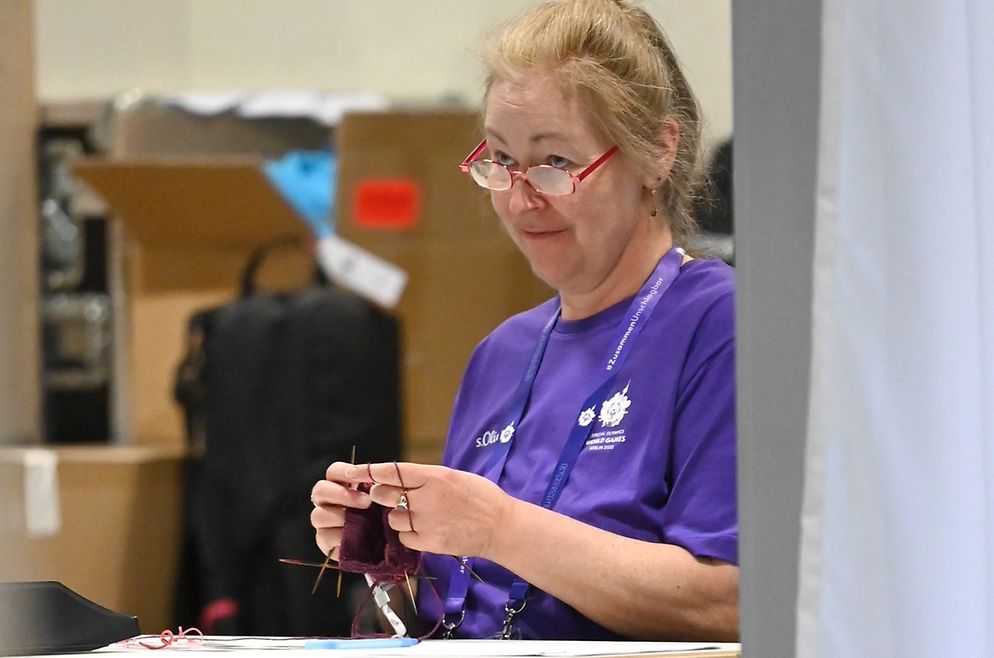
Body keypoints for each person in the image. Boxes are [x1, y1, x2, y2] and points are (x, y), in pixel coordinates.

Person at [310, 0, 737, 641]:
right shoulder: (503, 353)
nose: (518, 197)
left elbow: (726, 602)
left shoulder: (717, 324)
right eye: (501, 161)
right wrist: (393, 545)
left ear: (657, 154)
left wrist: (500, 529)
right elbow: (467, 599)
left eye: (556, 164)